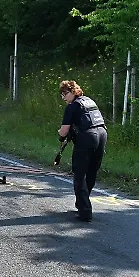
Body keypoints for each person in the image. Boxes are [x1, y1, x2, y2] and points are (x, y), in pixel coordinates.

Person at [57, 80, 107, 222]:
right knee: (91, 171)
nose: (63, 98)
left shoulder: (72, 107)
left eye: (65, 94)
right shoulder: (89, 101)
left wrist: (60, 135)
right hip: (102, 134)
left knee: (79, 174)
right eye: (62, 95)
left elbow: (64, 131)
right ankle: (81, 203)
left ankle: (85, 212)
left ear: (73, 91)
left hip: (87, 137)